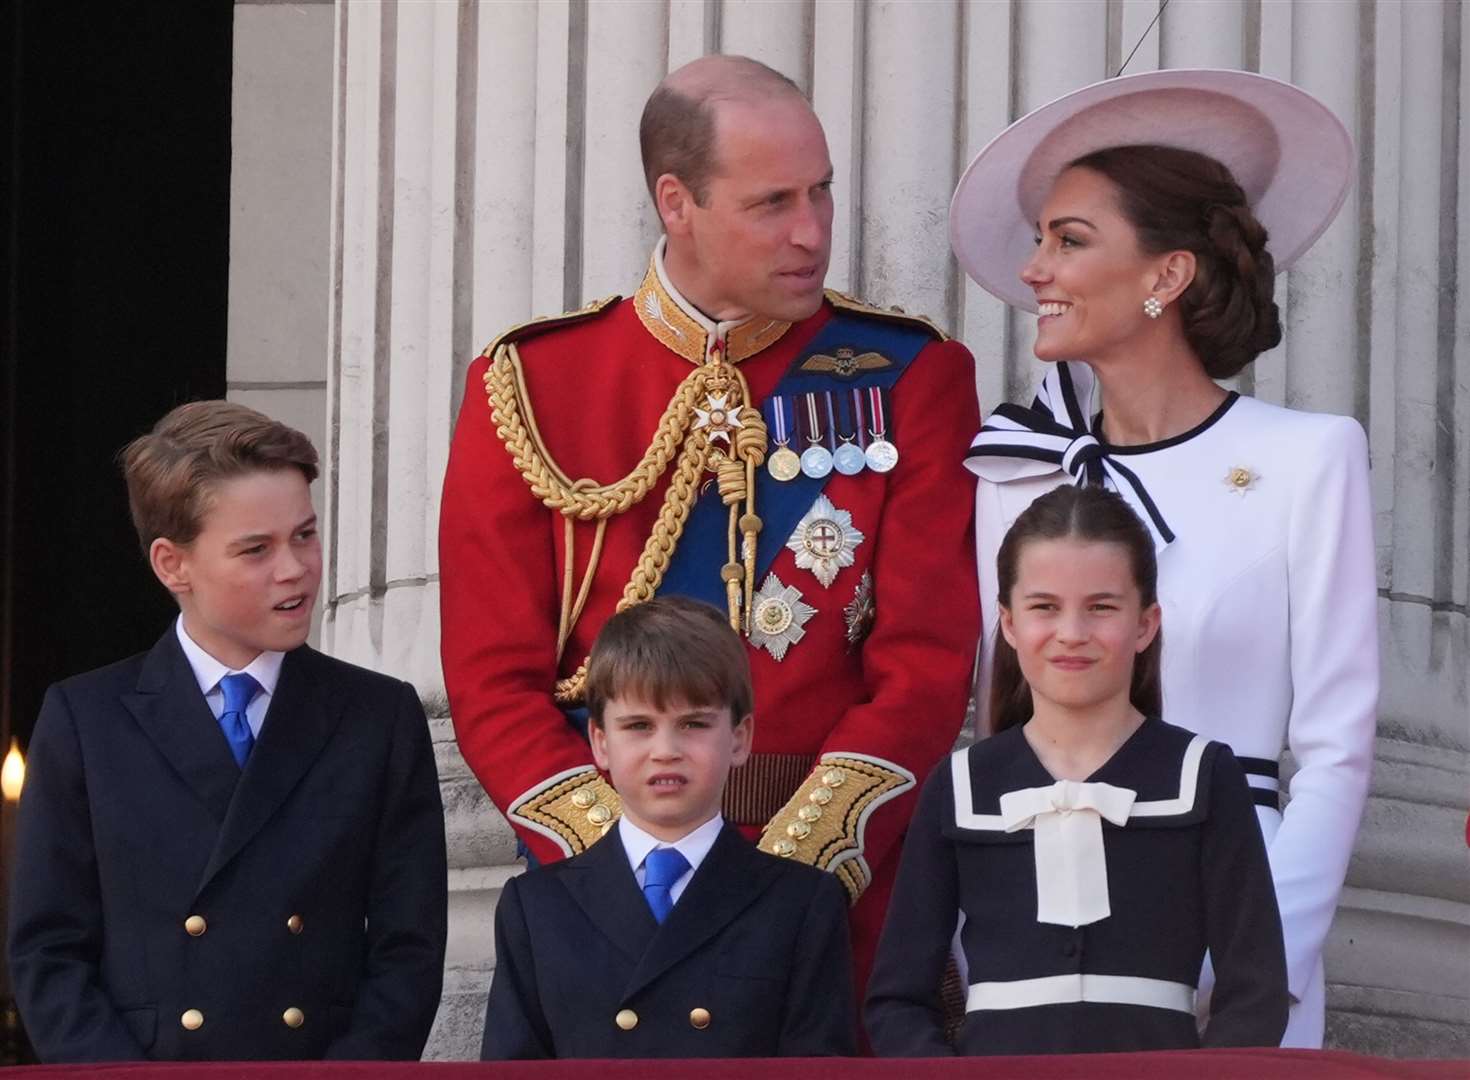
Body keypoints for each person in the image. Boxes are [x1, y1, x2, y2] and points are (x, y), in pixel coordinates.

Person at [440, 53, 979, 995]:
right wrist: (633, 869)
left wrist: (787, 884)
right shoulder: (530, 385)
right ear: (676, 201)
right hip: (609, 911)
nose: (811, 232)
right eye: (772, 203)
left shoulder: (909, 376)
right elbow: (493, 682)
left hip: (835, 911)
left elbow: (927, 667)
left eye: (822, 194)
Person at [952, 69, 1377, 1047]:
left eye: (1069, 241)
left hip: (1233, 910)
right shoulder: (1014, 475)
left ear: (1165, 277)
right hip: (1035, 927)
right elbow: (990, 731)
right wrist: (979, 944)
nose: (1034, 271)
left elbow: (1336, 749)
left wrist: (1257, 961)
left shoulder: (1306, 458)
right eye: (1039, 241)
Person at [7, 402, 447, 1062]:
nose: (295, 568)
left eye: (305, 534)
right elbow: (48, 954)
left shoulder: (377, 717)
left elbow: (407, 954)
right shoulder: (86, 719)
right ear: (172, 564)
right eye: (256, 549)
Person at [866, 485, 1287, 1055]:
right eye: (1045, 607)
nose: (1071, 633)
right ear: (1009, 623)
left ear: (1145, 624)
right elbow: (897, 1000)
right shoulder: (960, 784)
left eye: (1101, 607)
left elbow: (1256, 993)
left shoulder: (1203, 775)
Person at [481, 596, 857, 1059]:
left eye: (693, 724)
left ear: (740, 739)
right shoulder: (536, 907)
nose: (666, 750)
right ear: (600, 743)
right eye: (638, 725)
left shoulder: (801, 902)